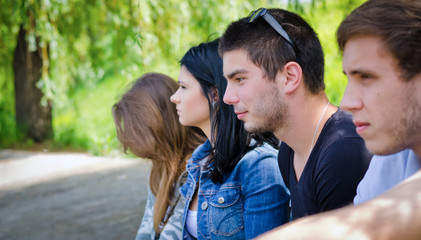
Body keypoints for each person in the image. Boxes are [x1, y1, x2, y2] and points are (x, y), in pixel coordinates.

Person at [256, 0, 421, 238]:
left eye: (366, 77)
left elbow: (366, 224)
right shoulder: (395, 151)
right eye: (350, 79)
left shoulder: (344, 146)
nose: (347, 102)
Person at [219, 8, 371, 220]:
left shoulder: (344, 151)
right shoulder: (289, 152)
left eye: (240, 79)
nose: (227, 97)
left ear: (289, 77)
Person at [170, 39, 290, 239]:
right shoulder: (199, 161)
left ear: (215, 94)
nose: (174, 97)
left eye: (183, 87)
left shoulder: (259, 166)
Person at [112, 73, 206, 240]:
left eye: (138, 132)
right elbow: (146, 228)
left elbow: (173, 234)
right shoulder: (160, 167)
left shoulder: (199, 167)